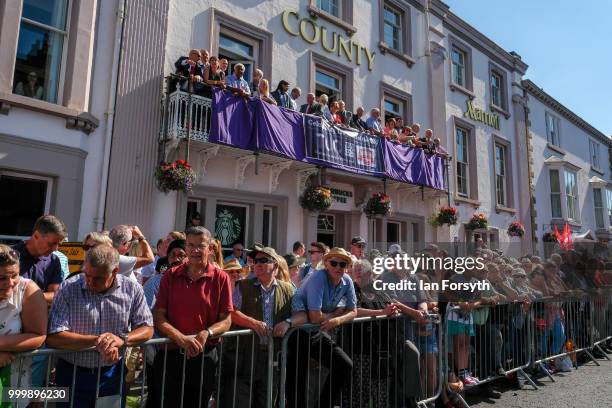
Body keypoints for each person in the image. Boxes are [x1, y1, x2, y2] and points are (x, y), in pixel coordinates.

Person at [47, 245, 153, 407]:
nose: (89, 281)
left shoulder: (131, 289)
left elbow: (147, 328)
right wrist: (100, 341)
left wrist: (122, 339)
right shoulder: (68, 288)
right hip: (72, 374)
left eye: (97, 278)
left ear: (115, 271)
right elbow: (54, 337)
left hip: (113, 374)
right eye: (87, 274)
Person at [152, 227, 233, 408]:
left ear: (210, 248)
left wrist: (207, 333)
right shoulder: (170, 276)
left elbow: (226, 319)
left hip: (205, 356)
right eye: (191, 245)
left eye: (200, 245)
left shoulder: (221, 278)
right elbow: (159, 316)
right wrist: (181, 339)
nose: (195, 250)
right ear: (186, 247)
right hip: (171, 354)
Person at [220, 245, 295, 407]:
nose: (258, 264)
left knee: (266, 400)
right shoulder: (243, 285)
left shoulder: (288, 289)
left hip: (273, 355)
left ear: (275, 265)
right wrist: (253, 323)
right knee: (241, 401)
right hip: (245, 355)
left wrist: (288, 322)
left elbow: (301, 313)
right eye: (256, 261)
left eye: (263, 260)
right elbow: (231, 312)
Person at [286, 247, 356, 408]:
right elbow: (315, 316)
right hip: (297, 332)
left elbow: (353, 311)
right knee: (297, 384)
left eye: (343, 264)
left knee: (344, 364)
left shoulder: (347, 281)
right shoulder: (318, 277)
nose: (338, 267)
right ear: (326, 264)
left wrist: (337, 320)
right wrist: (334, 316)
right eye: (334, 263)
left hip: (316, 331)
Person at [341, 259, 397, 407]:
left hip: (380, 350)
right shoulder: (351, 289)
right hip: (359, 348)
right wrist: (381, 312)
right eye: (356, 270)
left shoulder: (378, 290)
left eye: (361, 271)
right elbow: (353, 310)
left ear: (370, 274)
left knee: (380, 390)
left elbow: (389, 304)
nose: (357, 273)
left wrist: (392, 311)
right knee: (359, 391)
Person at [0, 245, 47, 402]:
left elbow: (38, 335)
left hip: (14, 383)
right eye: (2, 278)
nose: (10, 283)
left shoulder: (28, 290)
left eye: (15, 275)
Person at [12, 214, 66, 305]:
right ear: (36, 236)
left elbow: (55, 295)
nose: (56, 248)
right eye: (51, 244)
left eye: (58, 244)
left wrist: (30, 297)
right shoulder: (11, 256)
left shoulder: (53, 261)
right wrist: (41, 297)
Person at [143, 239, 187, 309]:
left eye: (181, 255)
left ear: (188, 258)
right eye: (172, 255)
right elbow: (146, 312)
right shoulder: (155, 283)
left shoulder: (196, 282)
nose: (176, 259)